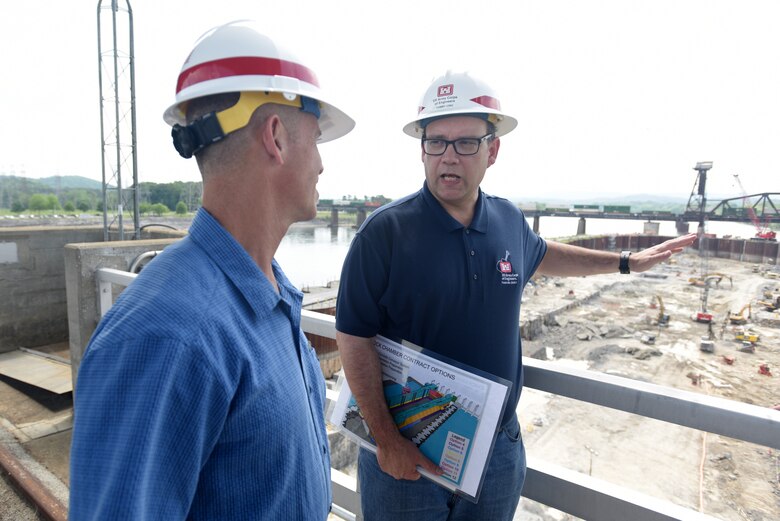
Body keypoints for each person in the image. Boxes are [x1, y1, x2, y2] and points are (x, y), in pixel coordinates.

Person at [335, 71, 696, 521]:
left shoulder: (507, 219)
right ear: (421, 148)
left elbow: (543, 255)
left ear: (493, 149)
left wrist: (624, 263)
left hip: (497, 449)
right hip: (408, 451)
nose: (449, 157)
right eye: (436, 142)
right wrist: (387, 442)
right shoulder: (384, 232)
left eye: (466, 143)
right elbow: (352, 336)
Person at [69, 21, 354, 520]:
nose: (323, 165)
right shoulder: (165, 335)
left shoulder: (271, 295)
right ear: (276, 137)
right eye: (317, 137)